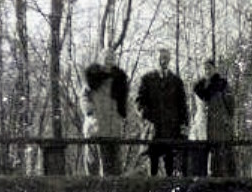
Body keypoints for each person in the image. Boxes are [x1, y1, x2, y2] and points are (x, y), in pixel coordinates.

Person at [136, 48, 189, 176]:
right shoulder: (147, 79)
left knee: (170, 165)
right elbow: (139, 103)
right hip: (153, 130)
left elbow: (182, 105)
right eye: (160, 58)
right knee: (152, 164)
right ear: (156, 60)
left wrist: (183, 125)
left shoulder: (176, 81)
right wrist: (147, 118)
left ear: (169, 60)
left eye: (166, 58)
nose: (163, 61)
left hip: (171, 130)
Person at [81, 48, 129, 176]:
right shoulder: (92, 78)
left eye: (111, 58)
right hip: (96, 127)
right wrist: (90, 112)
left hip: (113, 128)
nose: (109, 61)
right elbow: (84, 98)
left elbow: (123, 102)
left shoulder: (119, 79)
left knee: (114, 164)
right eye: (106, 58)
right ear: (101, 59)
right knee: (94, 163)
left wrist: (122, 116)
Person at [192, 59, 236, 177]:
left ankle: (218, 183)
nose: (207, 71)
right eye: (205, 68)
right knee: (201, 156)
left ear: (214, 69)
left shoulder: (222, 85)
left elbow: (230, 105)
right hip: (201, 126)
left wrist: (226, 121)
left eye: (209, 68)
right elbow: (194, 107)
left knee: (218, 157)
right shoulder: (198, 87)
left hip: (218, 126)